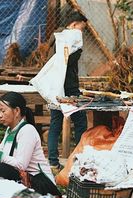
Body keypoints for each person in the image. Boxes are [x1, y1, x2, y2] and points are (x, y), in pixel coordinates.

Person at [0, 91, 61, 196]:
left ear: (16, 111)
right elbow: (0, 155)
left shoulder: (27, 130)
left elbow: (21, 165)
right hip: (25, 178)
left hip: (42, 184)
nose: (0, 115)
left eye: (3, 111)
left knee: (2, 169)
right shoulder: (10, 130)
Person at [47, 11, 88, 170]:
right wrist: (78, 51)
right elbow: (68, 62)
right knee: (80, 121)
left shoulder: (55, 39)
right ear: (74, 25)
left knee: (55, 123)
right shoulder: (71, 40)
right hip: (69, 86)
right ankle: (79, 160)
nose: (81, 32)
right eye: (81, 28)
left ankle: (52, 162)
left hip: (54, 87)